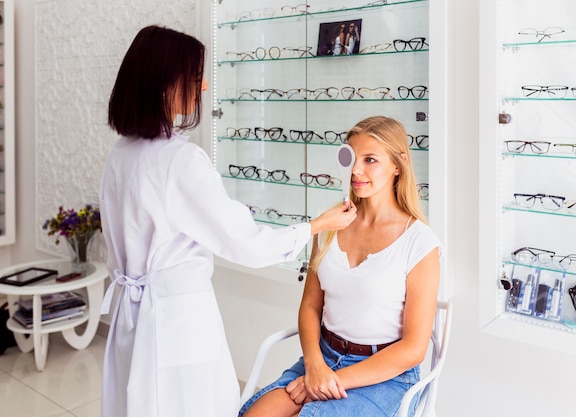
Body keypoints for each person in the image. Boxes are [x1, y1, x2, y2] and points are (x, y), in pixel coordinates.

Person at [99, 25, 356, 417]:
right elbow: (246, 244)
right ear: (167, 83)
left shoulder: (121, 154)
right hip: (174, 320)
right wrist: (315, 226)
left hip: (133, 319)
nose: (203, 89)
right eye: (196, 77)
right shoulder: (180, 162)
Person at [239, 116, 442, 417]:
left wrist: (325, 382)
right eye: (351, 158)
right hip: (322, 357)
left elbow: (413, 348)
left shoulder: (420, 242)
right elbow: (310, 307)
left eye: (370, 160)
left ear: (398, 165)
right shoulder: (331, 225)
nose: (356, 171)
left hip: (384, 376)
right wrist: (314, 365)